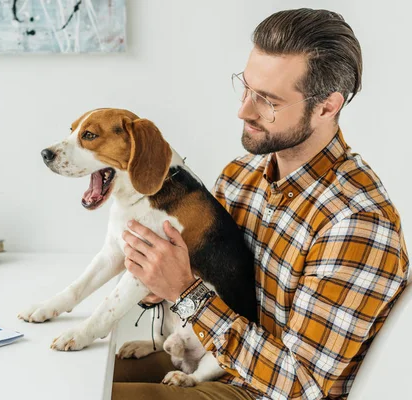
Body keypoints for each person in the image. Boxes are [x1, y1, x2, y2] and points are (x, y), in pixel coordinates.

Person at [113, 8, 409, 400]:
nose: (243, 110)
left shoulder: (356, 222)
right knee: (74, 376)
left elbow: (302, 385)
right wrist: (162, 281)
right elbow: (209, 281)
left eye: (267, 100)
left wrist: (185, 292)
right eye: (246, 87)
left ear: (326, 106)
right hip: (210, 362)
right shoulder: (240, 178)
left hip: (265, 392)